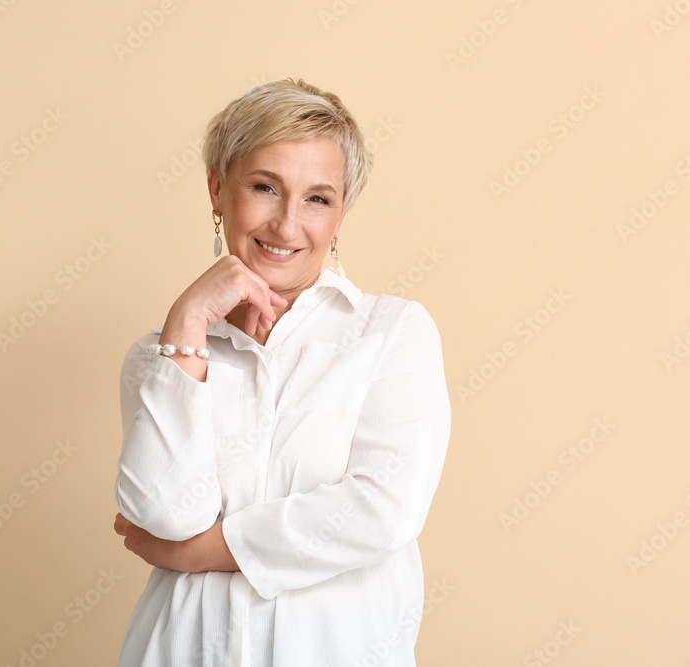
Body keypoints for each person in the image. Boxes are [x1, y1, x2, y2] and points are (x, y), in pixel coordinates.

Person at [113, 78, 451, 666]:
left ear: (340, 213)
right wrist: (189, 319)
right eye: (265, 187)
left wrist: (202, 552)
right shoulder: (162, 353)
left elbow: (381, 511)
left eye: (318, 198)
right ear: (218, 190)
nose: (287, 224)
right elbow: (166, 514)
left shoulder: (392, 333)